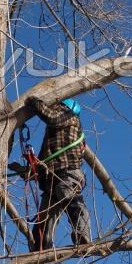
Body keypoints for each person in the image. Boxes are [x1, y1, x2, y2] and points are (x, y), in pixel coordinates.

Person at [9, 96, 91, 251]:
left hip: (66, 173)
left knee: (70, 200)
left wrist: (34, 101)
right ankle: (39, 261)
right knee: (42, 224)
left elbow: (52, 117)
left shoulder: (70, 117)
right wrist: (20, 169)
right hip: (51, 181)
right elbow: (37, 169)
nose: (56, 110)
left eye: (58, 107)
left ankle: (82, 234)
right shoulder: (52, 140)